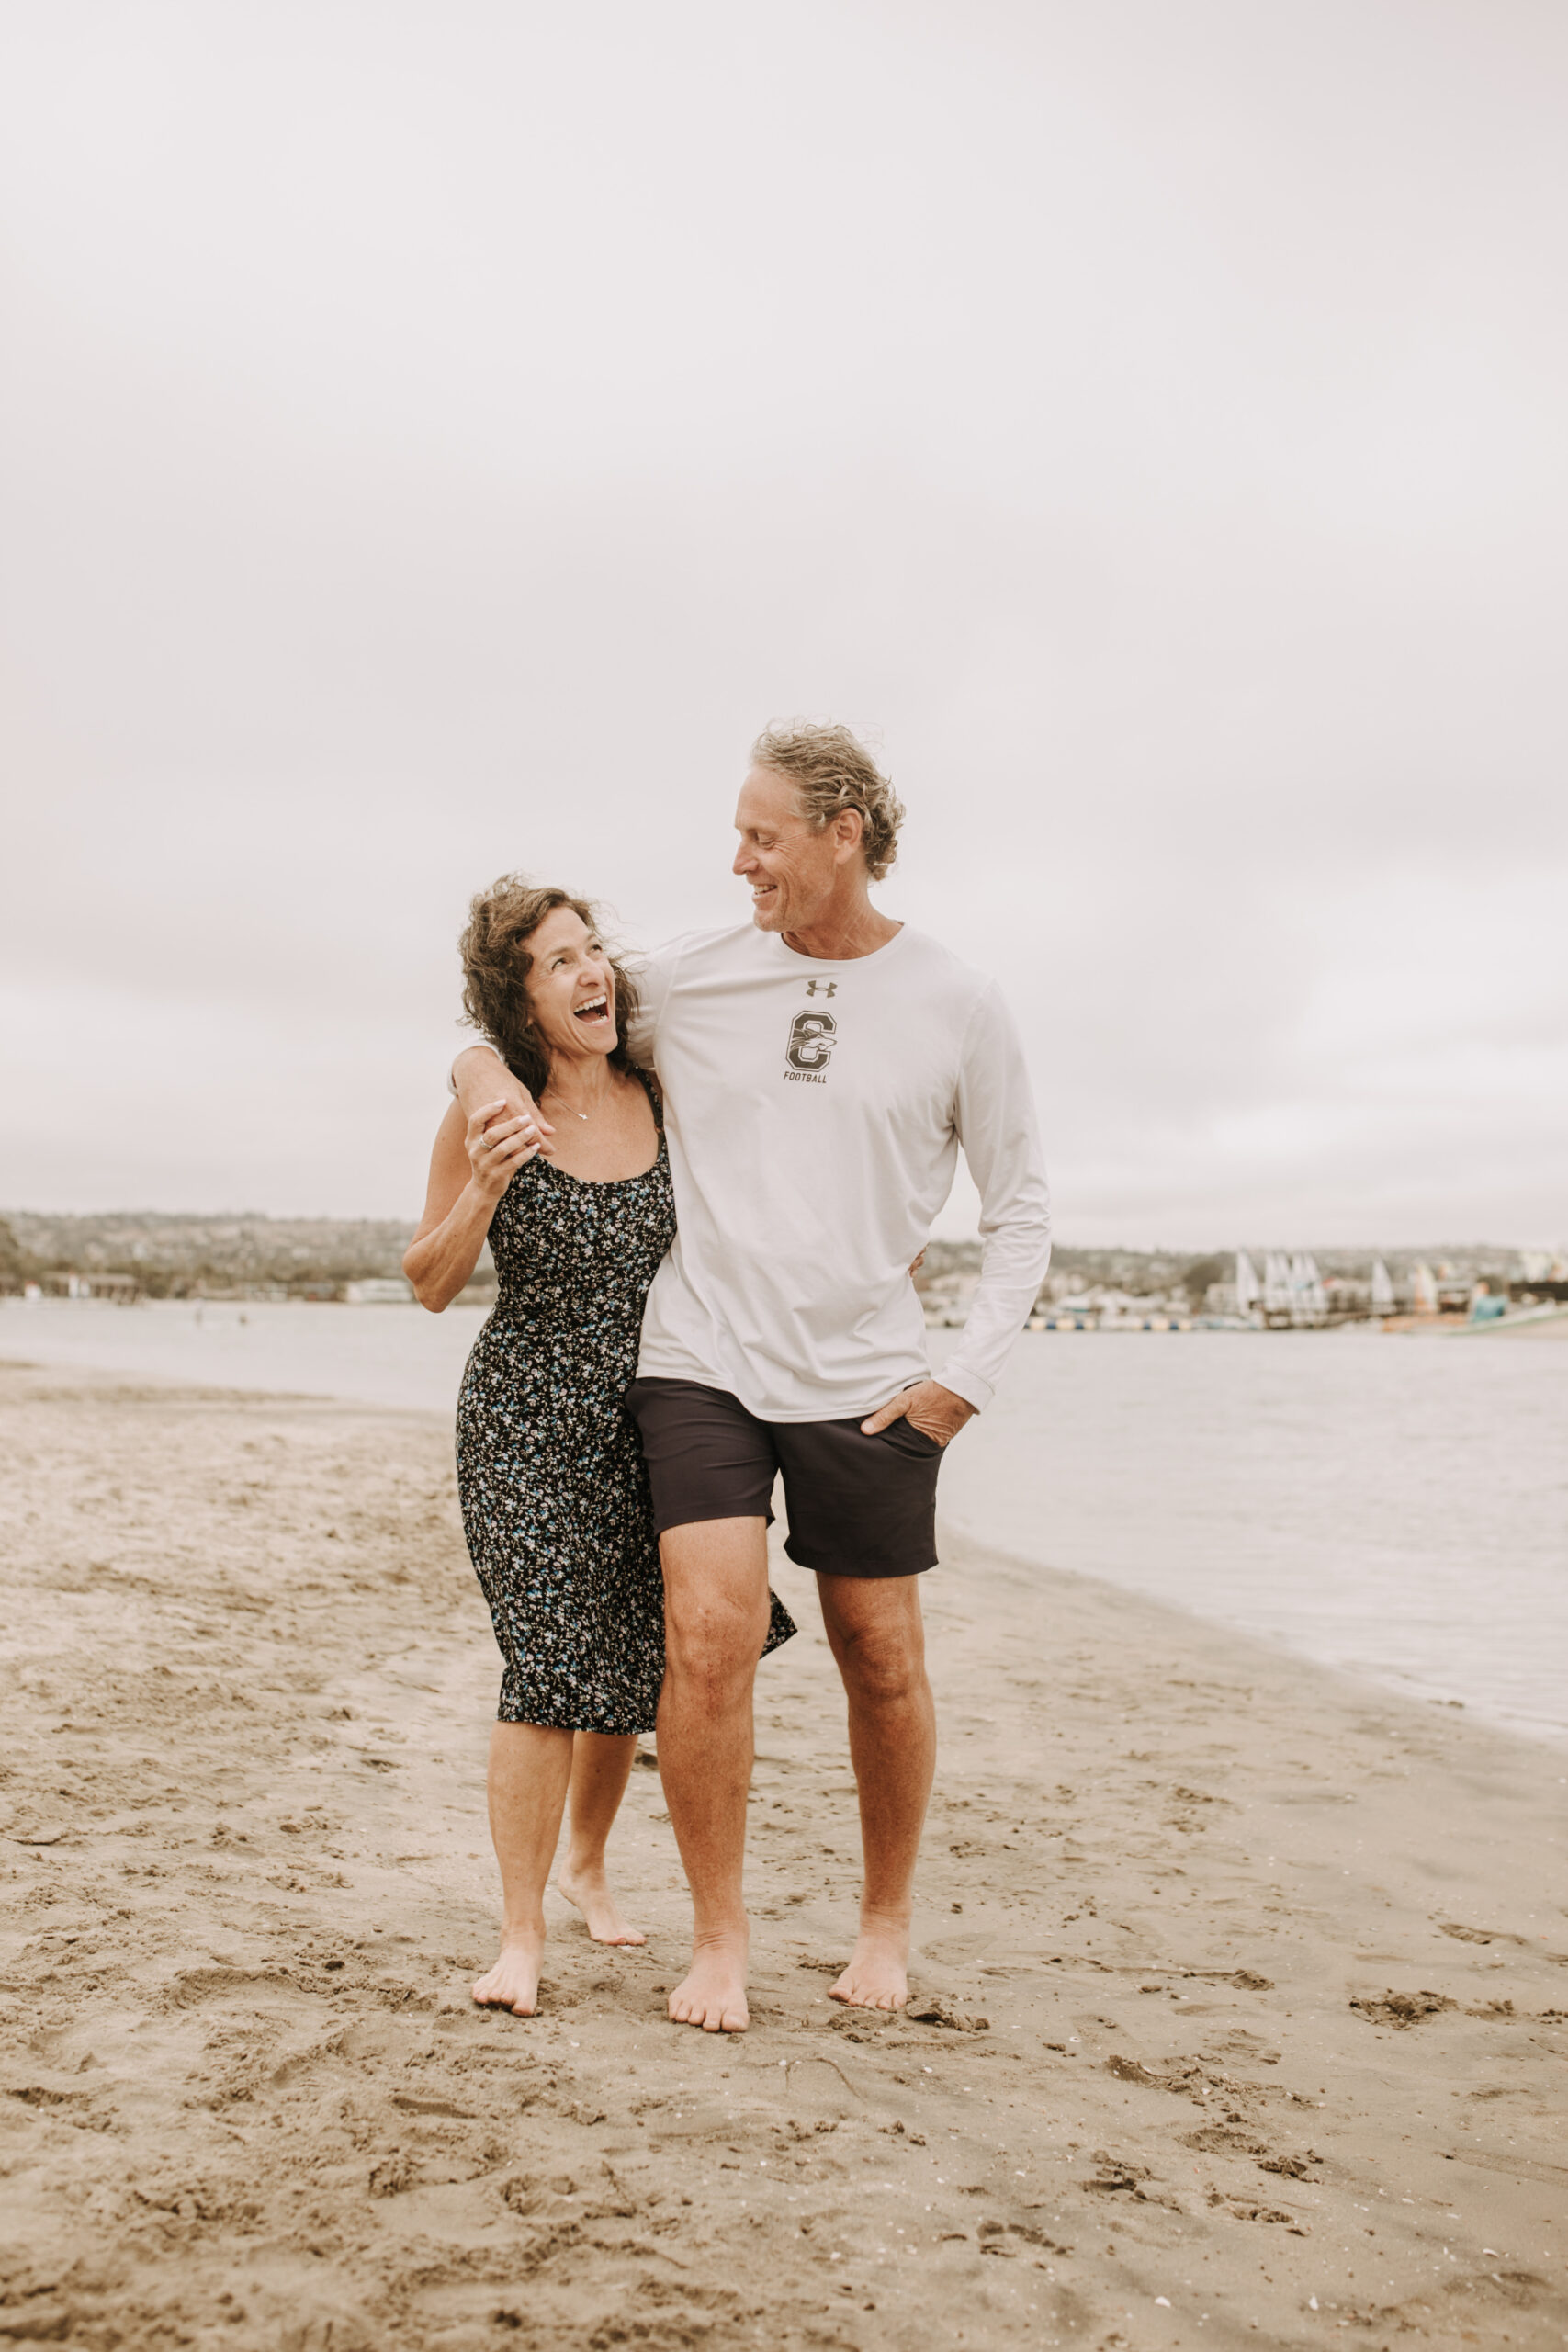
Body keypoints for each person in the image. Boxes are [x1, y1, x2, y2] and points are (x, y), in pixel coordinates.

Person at [451, 724, 1051, 2033]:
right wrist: (478, 1068)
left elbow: (1020, 1209)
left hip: (871, 1377)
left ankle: (881, 1926)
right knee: (707, 1639)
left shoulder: (958, 1000)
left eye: (761, 837)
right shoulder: (690, 974)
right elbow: (527, 1006)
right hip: (700, 1356)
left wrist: (965, 1377)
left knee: (876, 1655)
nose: (738, 863)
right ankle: (717, 1943)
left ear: (841, 834)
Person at [404, 877, 794, 2018]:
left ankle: (587, 1862)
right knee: (542, 1670)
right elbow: (428, 1282)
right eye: (560, 962)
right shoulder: (493, 1106)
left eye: (594, 954)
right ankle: (519, 1937)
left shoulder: (661, 1089)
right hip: (525, 1416)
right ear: (517, 1001)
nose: (593, 976)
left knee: (625, 1661)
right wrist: (484, 1179)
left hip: (660, 1408)